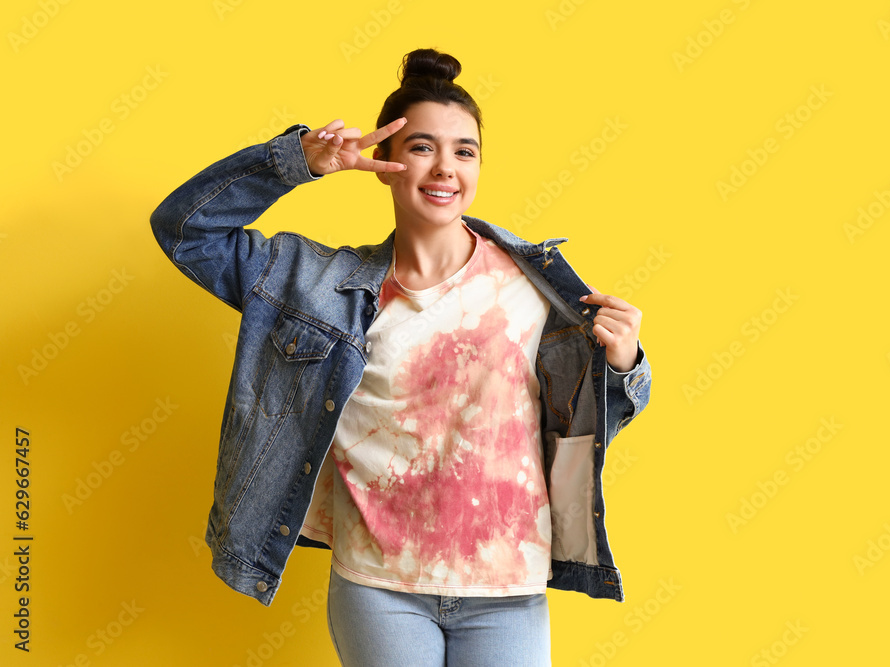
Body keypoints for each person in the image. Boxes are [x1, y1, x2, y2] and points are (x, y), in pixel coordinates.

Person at [150, 47, 651, 666]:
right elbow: (185, 233)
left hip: (506, 584)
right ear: (384, 161)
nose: (446, 168)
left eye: (464, 151)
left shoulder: (536, 286)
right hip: (378, 585)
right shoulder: (317, 286)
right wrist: (293, 163)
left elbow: (598, 416)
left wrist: (625, 365)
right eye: (422, 147)